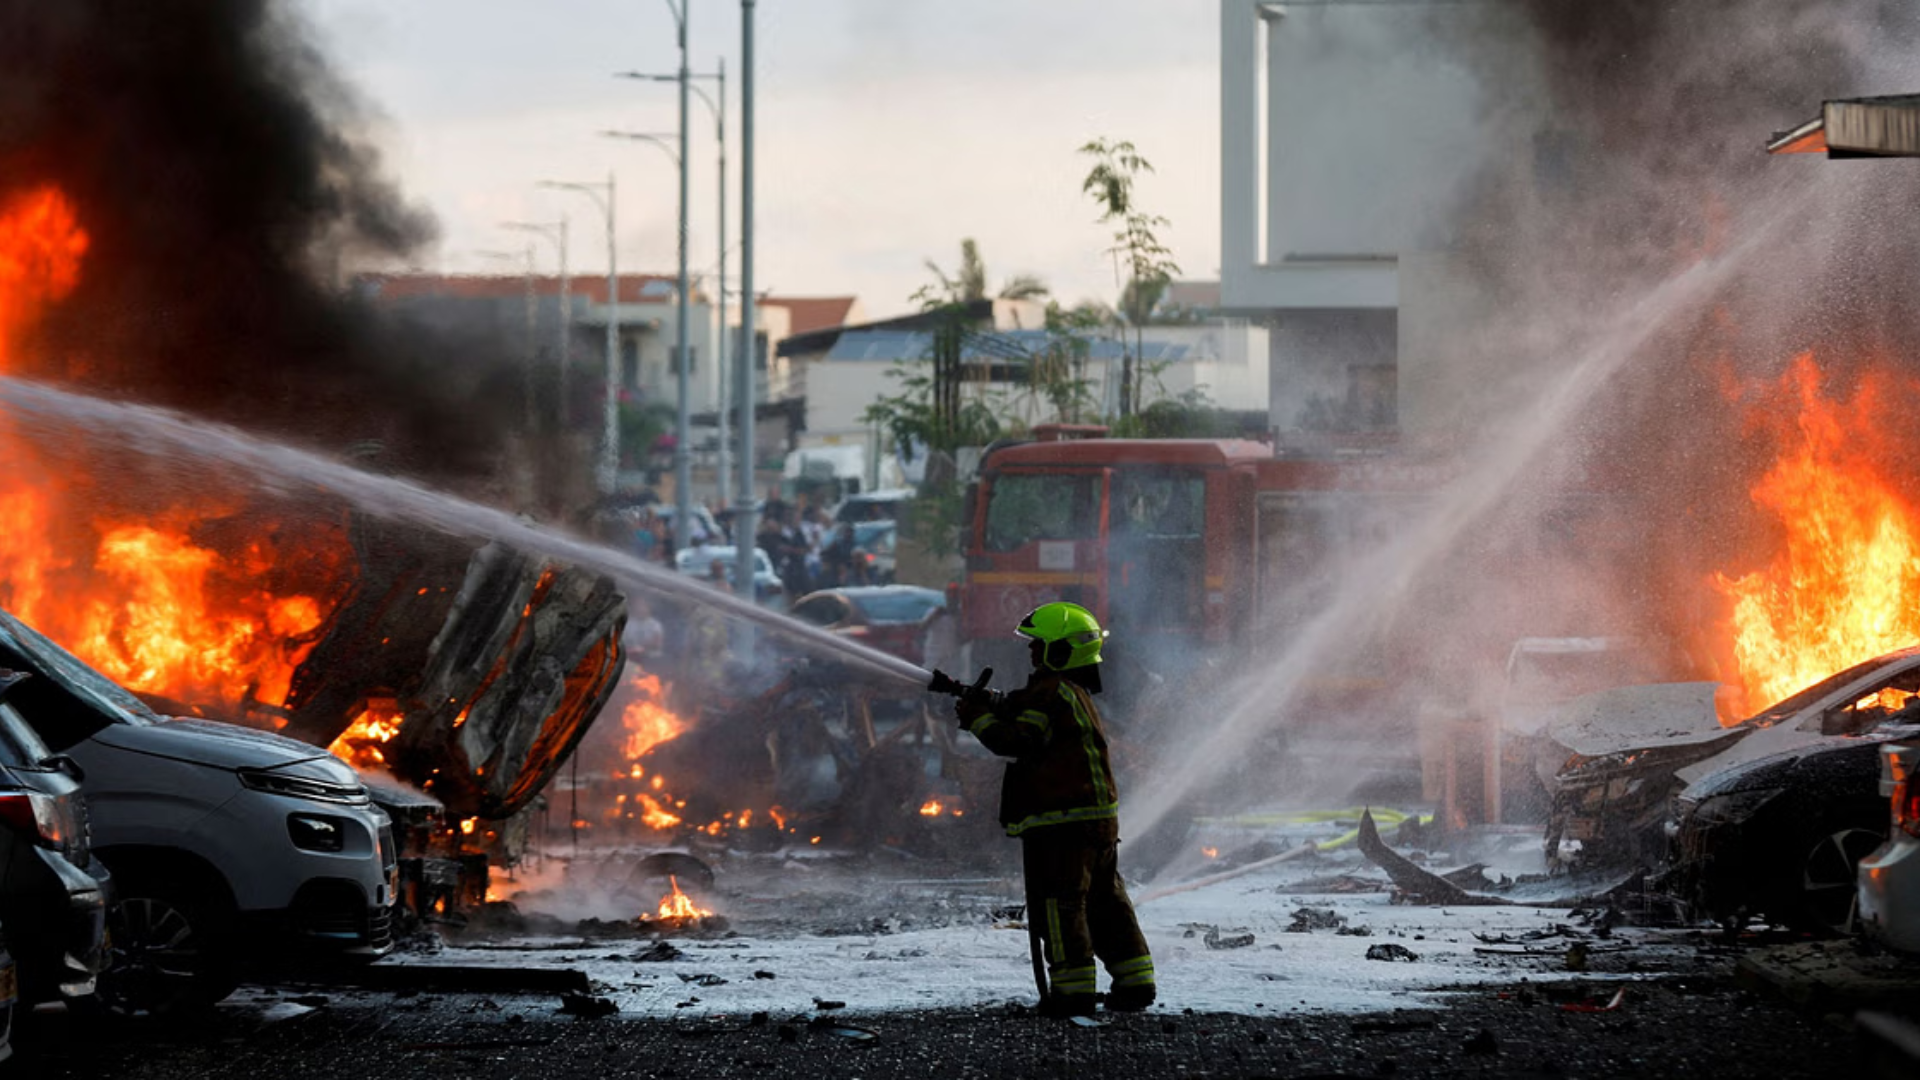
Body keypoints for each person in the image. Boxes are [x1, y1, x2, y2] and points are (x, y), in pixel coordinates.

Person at [950, 602, 1156, 1017]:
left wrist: (976, 718)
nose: (1030, 653)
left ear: (1060, 651)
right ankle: (1135, 983)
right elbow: (1025, 711)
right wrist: (993, 701)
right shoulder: (1070, 692)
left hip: (1062, 825)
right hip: (1096, 822)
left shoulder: (1050, 692)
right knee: (1106, 903)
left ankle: (1072, 992)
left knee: (1062, 907)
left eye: (1038, 646)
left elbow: (1017, 741)